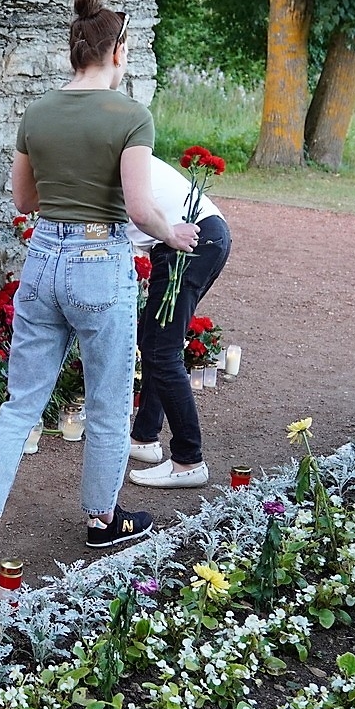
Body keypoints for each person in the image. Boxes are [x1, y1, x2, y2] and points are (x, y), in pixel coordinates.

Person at [0, 0, 198, 565]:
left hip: (43, 258)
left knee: (20, 403)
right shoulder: (130, 116)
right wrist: (173, 233)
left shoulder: (37, 113)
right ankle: (102, 520)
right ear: (117, 52)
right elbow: (139, 208)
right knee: (108, 404)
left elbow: (23, 200)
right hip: (99, 263)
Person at [126, 157, 231, 488]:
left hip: (189, 239)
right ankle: (144, 438)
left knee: (162, 349)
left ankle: (188, 460)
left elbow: (136, 216)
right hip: (201, 235)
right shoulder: (115, 146)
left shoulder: (109, 153)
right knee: (154, 341)